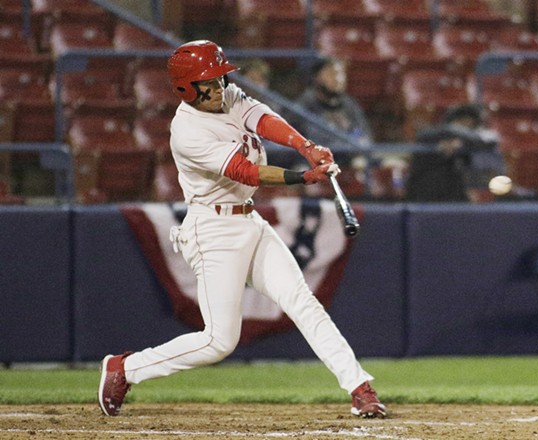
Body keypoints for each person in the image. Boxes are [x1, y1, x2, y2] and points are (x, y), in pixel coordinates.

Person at [97, 40, 386, 419]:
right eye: (210, 82)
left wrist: (306, 145)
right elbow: (244, 171)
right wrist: (304, 177)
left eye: (220, 78)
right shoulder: (187, 131)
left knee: (302, 301)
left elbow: (263, 118)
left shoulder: (227, 95)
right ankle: (125, 368)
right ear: (187, 87)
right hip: (212, 229)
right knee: (218, 341)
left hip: (248, 219)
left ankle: (360, 388)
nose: (220, 87)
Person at [405, 103, 505, 202]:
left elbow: (489, 141)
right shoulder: (431, 135)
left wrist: (460, 144)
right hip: (424, 198)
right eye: (467, 123)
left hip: (451, 199)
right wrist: (456, 140)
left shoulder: (466, 142)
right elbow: (446, 131)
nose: (468, 128)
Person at [292, 57, 373, 167]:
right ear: (317, 77)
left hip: (346, 159)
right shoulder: (305, 104)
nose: (338, 79)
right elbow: (312, 141)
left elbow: (364, 136)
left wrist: (355, 143)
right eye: (332, 74)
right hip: (313, 162)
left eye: (341, 74)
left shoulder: (349, 104)